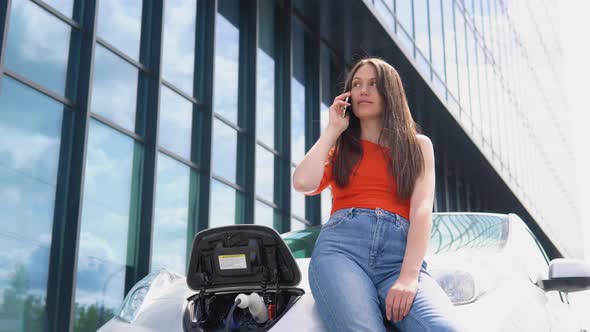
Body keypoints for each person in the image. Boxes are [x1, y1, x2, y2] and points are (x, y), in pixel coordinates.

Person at [292, 58, 465, 331]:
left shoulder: (417, 147)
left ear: (390, 92)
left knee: (444, 328)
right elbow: (302, 182)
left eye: (373, 84)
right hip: (341, 252)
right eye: (357, 84)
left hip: (399, 259)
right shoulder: (340, 150)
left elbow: (421, 211)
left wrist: (408, 277)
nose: (363, 90)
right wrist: (332, 130)